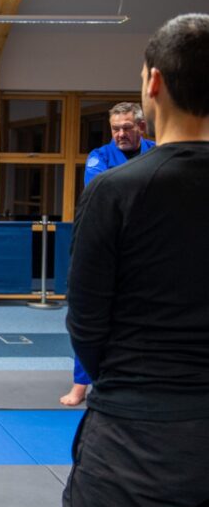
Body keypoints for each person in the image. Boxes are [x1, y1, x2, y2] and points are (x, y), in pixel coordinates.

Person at [61, 13, 209, 507]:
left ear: (153, 82)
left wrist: (131, 385)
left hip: (137, 433)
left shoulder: (118, 191)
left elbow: (85, 320)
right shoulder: (113, 183)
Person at [59, 101, 155, 407]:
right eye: (116, 128)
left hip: (149, 249)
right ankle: (80, 385)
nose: (121, 134)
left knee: (147, 317)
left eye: (127, 128)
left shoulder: (158, 150)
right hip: (109, 247)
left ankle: (144, 381)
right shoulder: (99, 157)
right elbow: (101, 193)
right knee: (92, 313)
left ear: (140, 126)